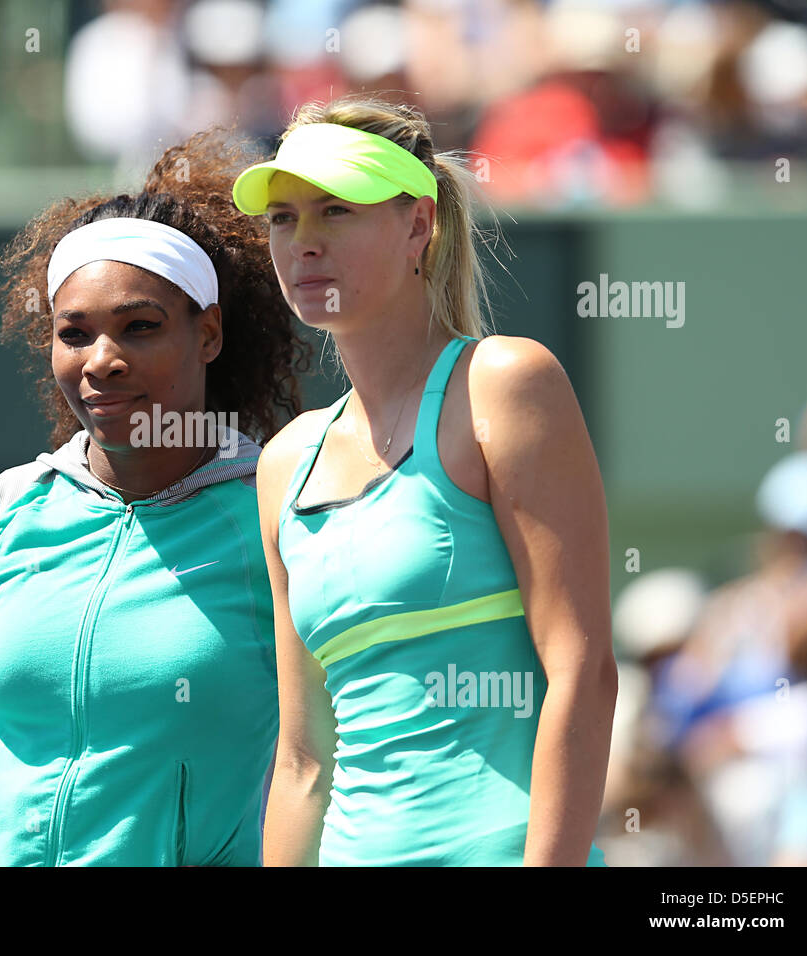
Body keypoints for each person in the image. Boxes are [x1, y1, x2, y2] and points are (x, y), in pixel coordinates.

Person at [0, 129, 308, 866]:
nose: (102, 360)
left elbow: (334, 768)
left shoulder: (283, 517)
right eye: (75, 333)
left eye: (140, 327)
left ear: (210, 333)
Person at [234, 94, 618, 865]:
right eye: (283, 218)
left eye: (335, 211)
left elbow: (583, 671)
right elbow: (305, 759)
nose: (302, 243)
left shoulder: (508, 382)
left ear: (419, 223)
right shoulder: (282, 463)